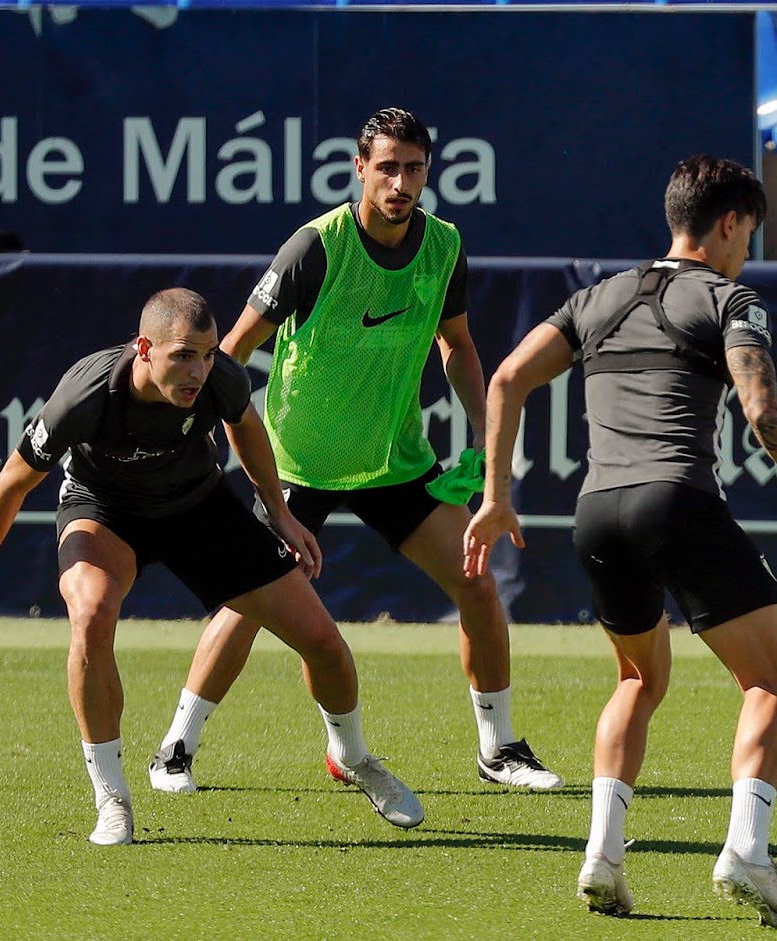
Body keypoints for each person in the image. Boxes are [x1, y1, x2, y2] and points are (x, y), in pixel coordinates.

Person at [463, 155, 777, 928]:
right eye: (751, 235)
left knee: (638, 679)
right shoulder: (728, 295)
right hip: (675, 501)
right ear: (730, 223)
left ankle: (602, 858)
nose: (749, 251)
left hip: (596, 511)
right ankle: (746, 849)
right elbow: (765, 413)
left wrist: (496, 497)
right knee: (772, 681)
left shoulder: (597, 296)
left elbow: (504, 378)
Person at [147, 108, 561, 795]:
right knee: (245, 603)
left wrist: (488, 435)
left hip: (394, 461)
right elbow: (232, 353)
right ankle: (175, 749)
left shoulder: (444, 245)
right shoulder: (315, 248)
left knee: (477, 584)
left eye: (414, 168)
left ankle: (499, 748)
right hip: (298, 463)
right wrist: (202, 440)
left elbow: (455, 344)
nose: (401, 181)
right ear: (360, 169)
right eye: (388, 166)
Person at [0, 288, 422, 846]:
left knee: (324, 644)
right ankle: (111, 797)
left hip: (198, 507)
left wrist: (280, 515)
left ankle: (352, 755)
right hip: (103, 511)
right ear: (144, 349)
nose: (198, 371)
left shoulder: (220, 380)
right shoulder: (86, 395)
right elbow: (11, 484)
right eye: (184, 355)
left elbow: (247, 430)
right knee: (89, 618)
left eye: (208, 355)